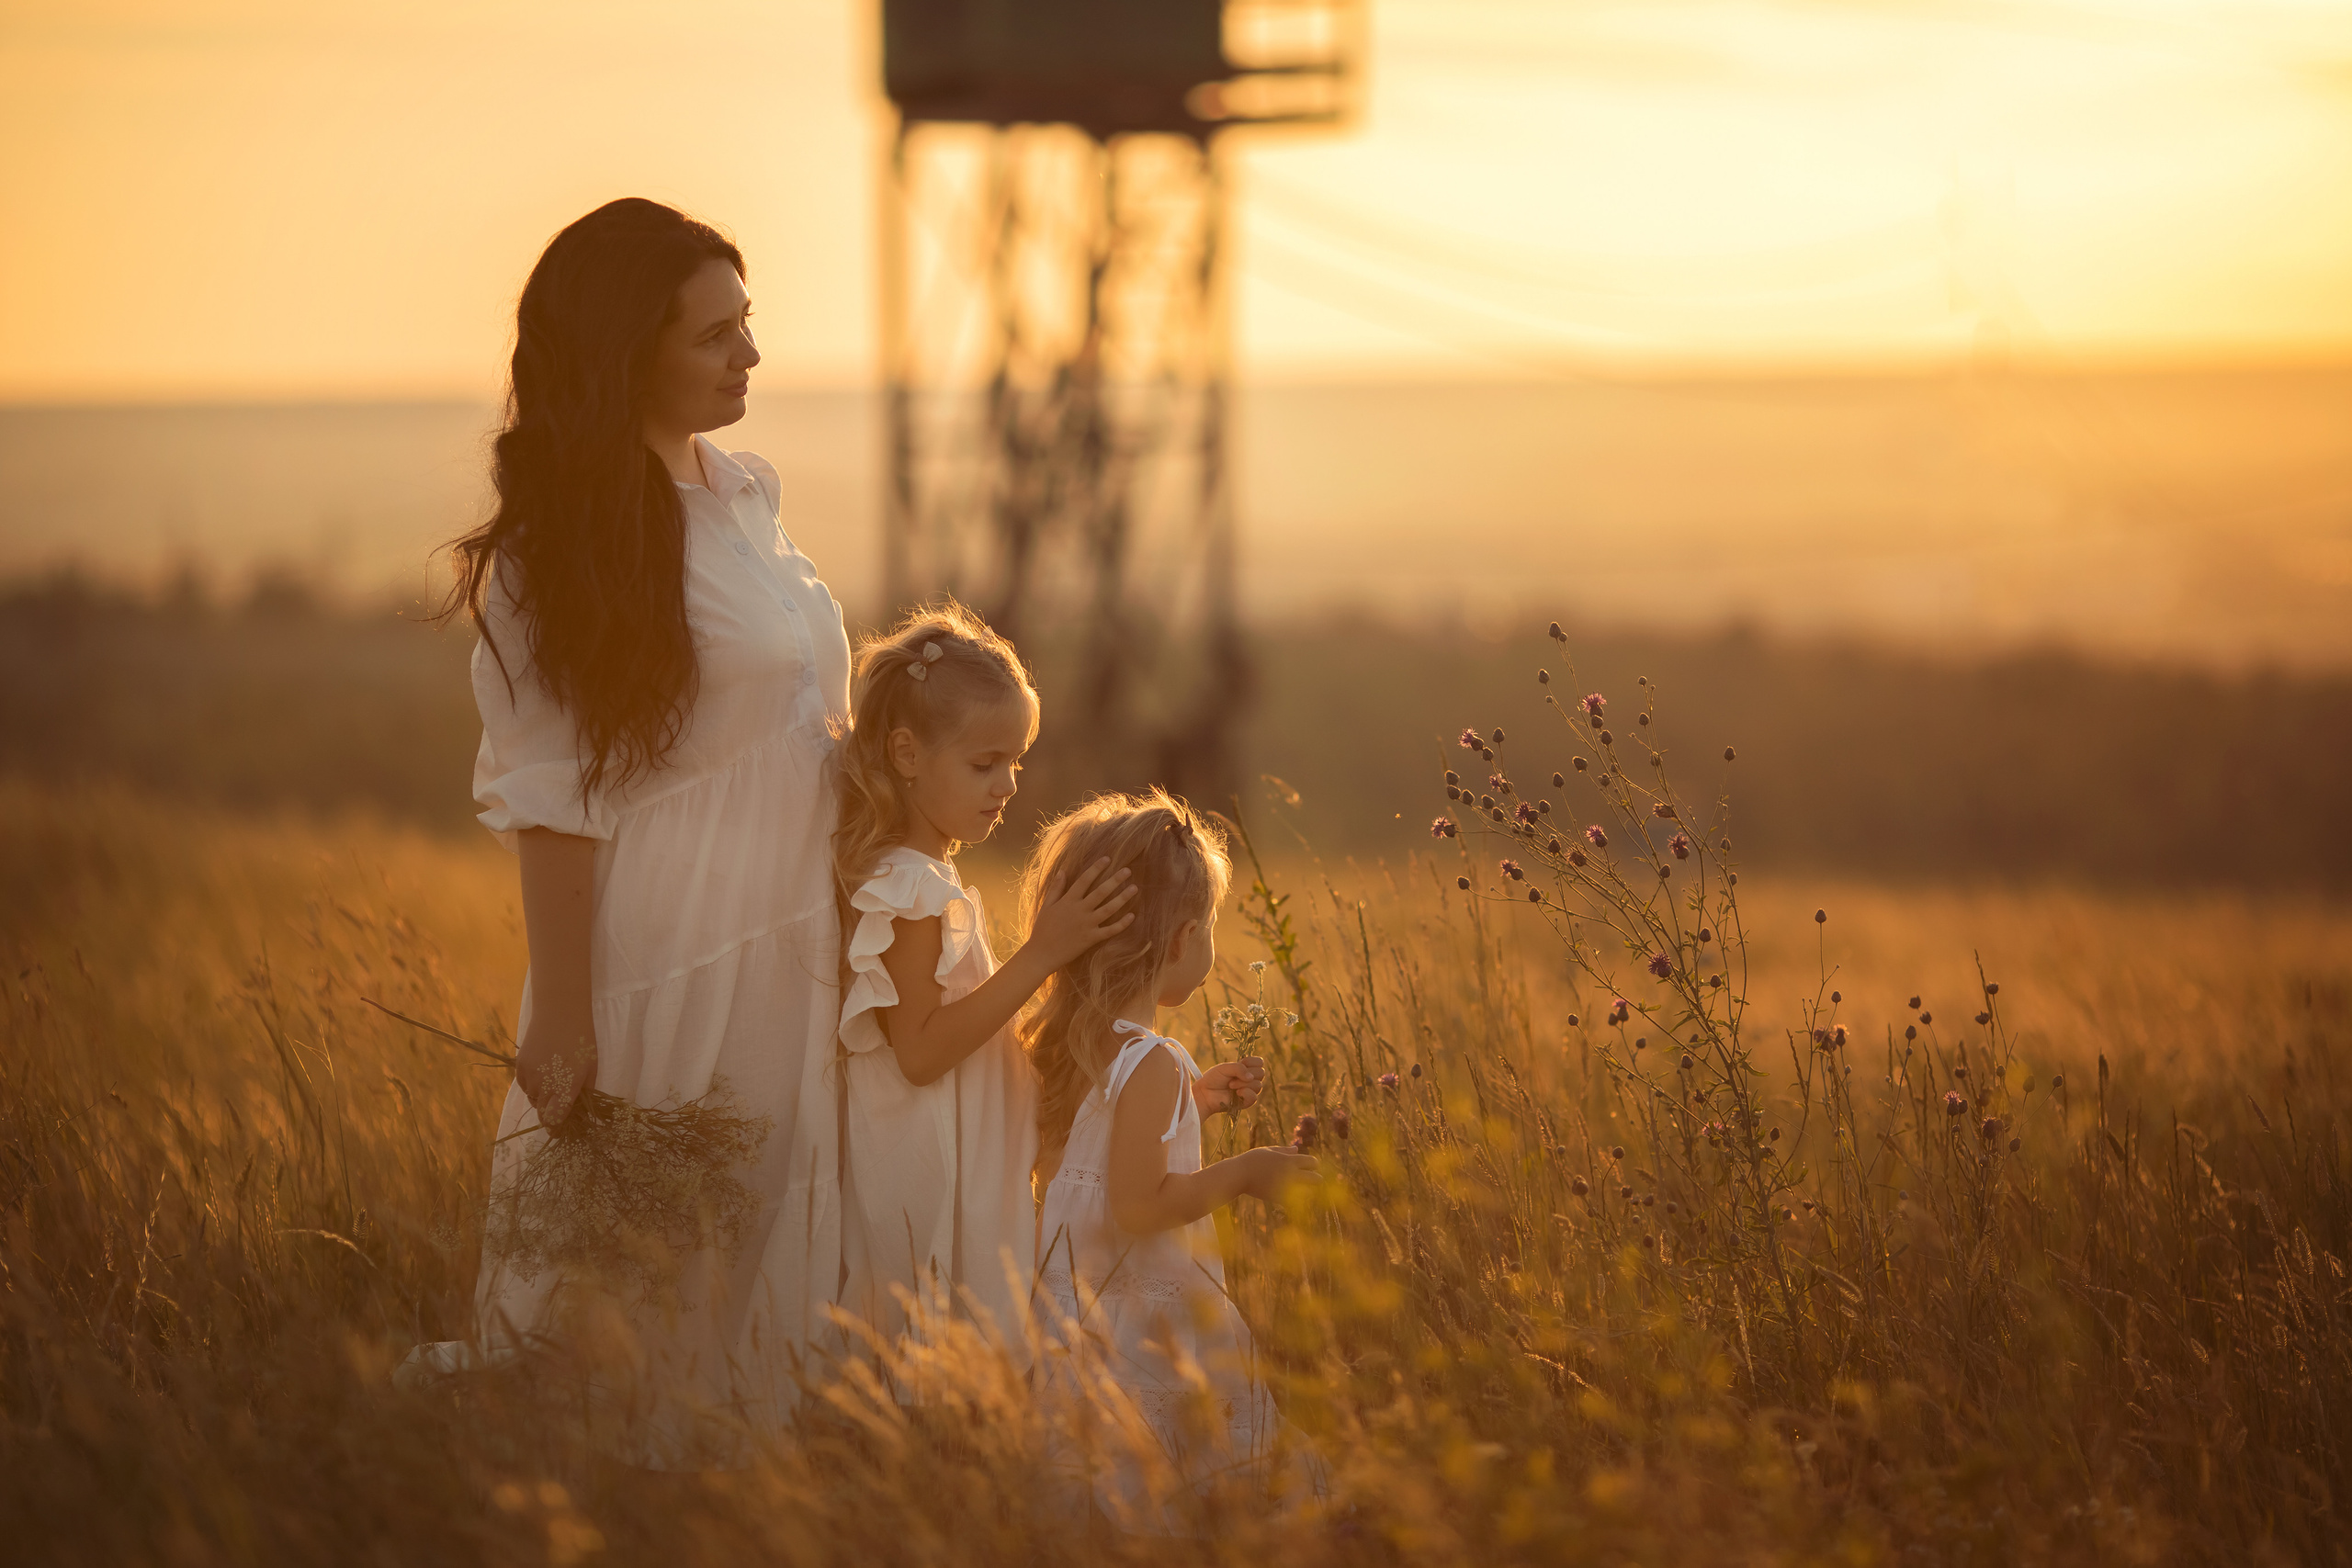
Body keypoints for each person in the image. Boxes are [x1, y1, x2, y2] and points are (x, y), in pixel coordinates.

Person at [412, 197, 850, 1467]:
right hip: (678, 935)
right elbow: (553, 796)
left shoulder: (747, 490)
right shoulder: (559, 547)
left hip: (802, 918)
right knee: (644, 1260)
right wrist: (561, 1007)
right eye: (716, 334)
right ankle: (592, 1486)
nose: (751, 356)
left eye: (748, 323)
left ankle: (752, 1486)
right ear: (625, 352)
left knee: (777, 1227)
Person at [831, 604, 1135, 1363]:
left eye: (1016, 761)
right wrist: (1041, 956)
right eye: (983, 763)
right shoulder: (905, 888)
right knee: (931, 1356)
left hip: (970, 1157)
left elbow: (976, 1031)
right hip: (930, 1172)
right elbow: (922, 1052)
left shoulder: (936, 878)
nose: (1006, 784)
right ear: (906, 753)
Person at [1023, 790, 1316, 1529]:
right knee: (1174, 1471)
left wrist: (1197, 1099)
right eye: (1210, 925)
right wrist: (1245, 1171)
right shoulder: (1149, 1058)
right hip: (1134, 1313)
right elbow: (1137, 1205)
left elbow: (1090, 1157)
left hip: (1067, 1304)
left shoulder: (1070, 1041)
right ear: (1183, 937)